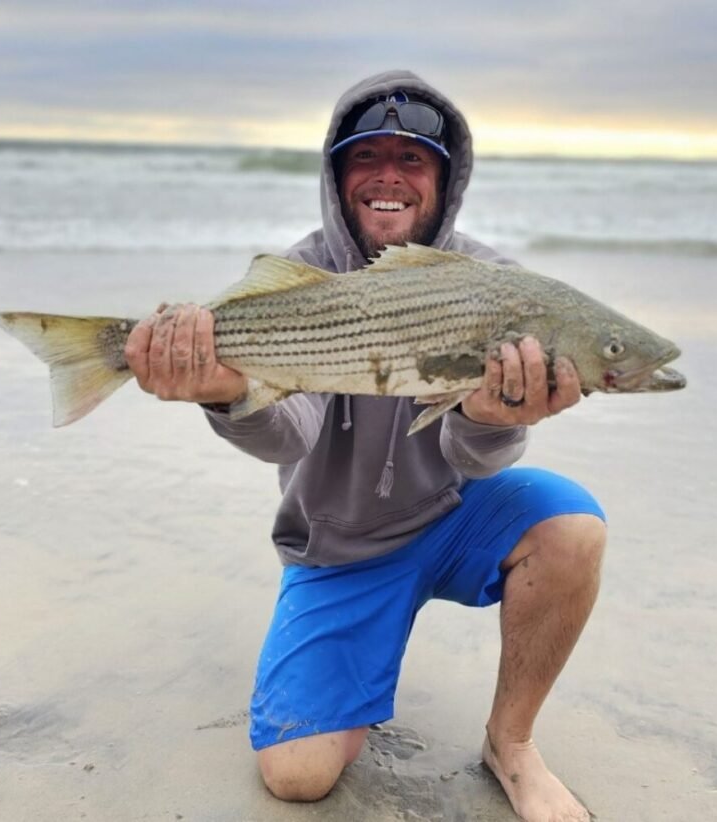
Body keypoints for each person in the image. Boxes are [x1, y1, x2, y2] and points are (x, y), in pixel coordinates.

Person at [124, 70, 606, 822]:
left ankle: (512, 745)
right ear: (337, 175)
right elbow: (289, 432)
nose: (389, 177)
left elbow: (475, 461)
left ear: (446, 181)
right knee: (297, 775)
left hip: (449, 517)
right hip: (339, 549)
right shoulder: (301, 273)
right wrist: (223, 391)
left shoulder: (497, 287)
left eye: (412, 160)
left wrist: (487, 414)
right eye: (366, 158)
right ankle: (354, 664)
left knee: (571, 526)